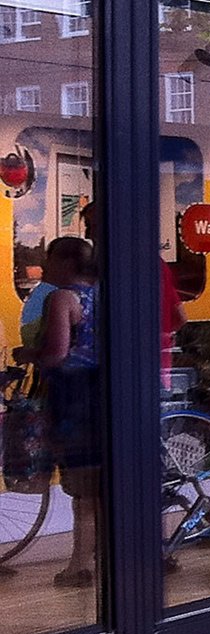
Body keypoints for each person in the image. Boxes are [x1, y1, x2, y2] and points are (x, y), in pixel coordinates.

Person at [21, 237, 99, 588]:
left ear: (66, 262)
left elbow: (56, 353)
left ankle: (79, 566)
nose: (44, 266)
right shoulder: (103, 294)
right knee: (99, 486)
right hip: (104, 395)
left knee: (82, 489)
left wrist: (28, 354)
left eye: (49, 259)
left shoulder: (62, 298)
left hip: (73, 399)